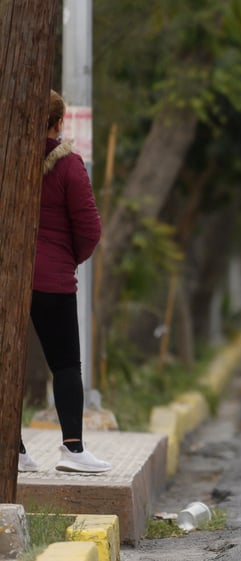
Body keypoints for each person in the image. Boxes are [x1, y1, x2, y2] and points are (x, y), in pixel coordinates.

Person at [18, 90, 112, 474]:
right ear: (59, 124)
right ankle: (73, 450)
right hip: (53, 284)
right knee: (66, 366)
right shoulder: (69, 165)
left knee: (8, 363)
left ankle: (14, 450)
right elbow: (89, 229)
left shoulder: (10, 159)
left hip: (10, 278)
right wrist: (63, 259)